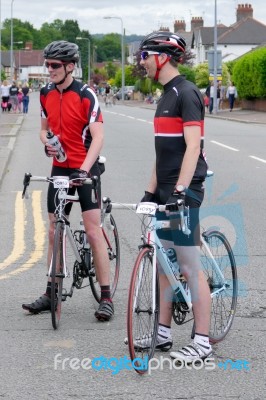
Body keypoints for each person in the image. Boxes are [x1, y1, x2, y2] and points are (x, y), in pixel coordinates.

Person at [22, 40, 114, 322]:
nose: (49, 70)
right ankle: (51, 292)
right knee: (53, 229)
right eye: (47, 64)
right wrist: (47, 143)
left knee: (93, 229)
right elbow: (43, 130)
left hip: (86, 168)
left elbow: (98, 137)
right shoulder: (46, 93)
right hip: (60, 167)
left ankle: (107, 297)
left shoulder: (86, 94)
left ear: (70, 66)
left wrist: (84, 170)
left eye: (55, 65)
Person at [136, 31, 212, 363]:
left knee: (188, 264)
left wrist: (180, 191)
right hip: (166, 189)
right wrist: (150, 192)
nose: (141, 62)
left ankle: (202, 341)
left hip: (186, 189)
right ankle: (163, 332)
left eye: (144, 56)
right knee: (165, 262)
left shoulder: (186, 93)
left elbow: (192, 146)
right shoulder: (163, 96)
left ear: (162, 57)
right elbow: (161, 153)